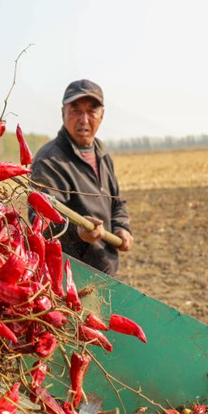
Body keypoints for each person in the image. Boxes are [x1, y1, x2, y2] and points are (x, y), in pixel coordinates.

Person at [30, 79, 132, 276]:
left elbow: (116, 203)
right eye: (75, 110)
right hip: (71, 278)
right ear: (63, 113)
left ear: (102, 115)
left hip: (105, 271)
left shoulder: (101, 152)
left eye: (92, 111)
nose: (84, 119)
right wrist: (77, 232)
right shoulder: (50, 161)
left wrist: (122, 228)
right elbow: (41, 222)